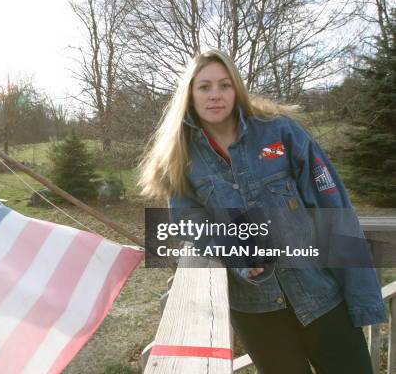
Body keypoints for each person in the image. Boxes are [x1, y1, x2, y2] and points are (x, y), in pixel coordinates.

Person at [138, 49, 386, 373]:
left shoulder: (279, 132)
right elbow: (190, 224)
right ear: (190, 94)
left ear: (236, 88)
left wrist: (363, 298)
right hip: (257, 311)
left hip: (320, 293)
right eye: (205, 87)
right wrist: (234, 252)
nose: (216, 95)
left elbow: (334, 209)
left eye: (224, 85)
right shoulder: (181, 157)